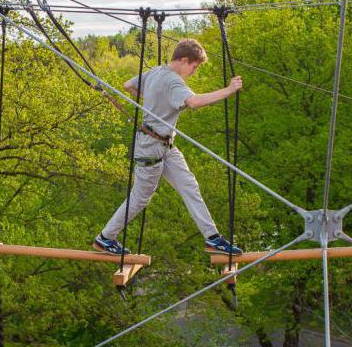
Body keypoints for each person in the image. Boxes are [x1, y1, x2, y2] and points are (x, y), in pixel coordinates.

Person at [94, 38, 243, 256]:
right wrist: (228, 91)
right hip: (152, 147)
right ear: (184, 60)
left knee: (189, 186)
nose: (194, 72)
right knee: (140, 198)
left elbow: (129, 85)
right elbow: (193, 102)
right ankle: (105, 238)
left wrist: (155, 100)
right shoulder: (174, 81)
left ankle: (212, 238)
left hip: (166, 146)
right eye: (194, 66)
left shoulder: (155, 72)